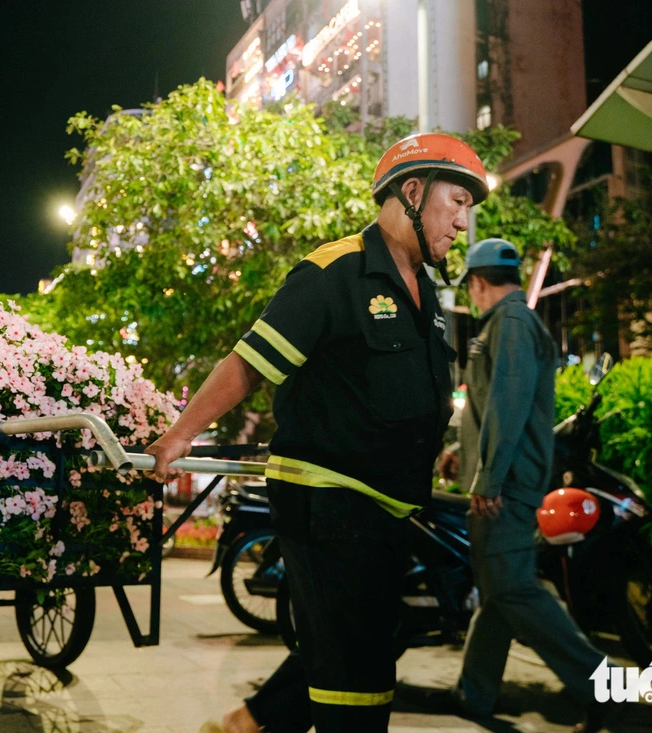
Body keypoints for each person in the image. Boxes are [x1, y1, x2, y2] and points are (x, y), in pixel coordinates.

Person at [148, 133, 488, 732]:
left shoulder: (426, 290)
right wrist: (180, 435)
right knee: (354, 679)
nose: (464, 222)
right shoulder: (334, 272)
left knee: (369, 643)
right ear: (412, 192)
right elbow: (250, 362)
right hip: (328, 499)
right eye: (457, 201)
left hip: (387, 507)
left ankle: (248, 725)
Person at [440, 238, 614, 732]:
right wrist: (461, 453)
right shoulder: (510, 324)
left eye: (470, 288)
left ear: (477, 283)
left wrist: (488, 478)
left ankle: (603, 688)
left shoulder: (511, 325)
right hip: (503, 481)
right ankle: (473, 695)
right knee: (497, 593)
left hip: (505, 487)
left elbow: (507, 407)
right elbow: (489, 407)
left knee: (514, 591)